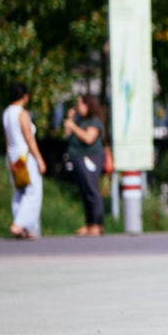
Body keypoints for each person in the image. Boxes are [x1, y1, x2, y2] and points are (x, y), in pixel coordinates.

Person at [2, 82, 46, 239]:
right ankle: (19, 224)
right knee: (33, 191)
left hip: (13, 157)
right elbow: (29, 138)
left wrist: (9, 158)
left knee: (19, 191)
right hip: (25, 157)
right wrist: (40, 160)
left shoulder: (6, 113)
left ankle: (22, 228)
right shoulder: (22, 114)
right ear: (25, 96)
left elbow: (7, 139)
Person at [64, 94, 107, 236]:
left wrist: (73, 126)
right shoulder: (80, 121)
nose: (78, 107)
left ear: (88, 105)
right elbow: (68, 136)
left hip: (91, 158)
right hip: (78, 158)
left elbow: (89, 138)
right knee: (84, 192)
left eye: (80, 104)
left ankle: (97, 223)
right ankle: (89, 224)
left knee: (92, 190)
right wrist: (70, 120)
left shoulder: (93, 121)